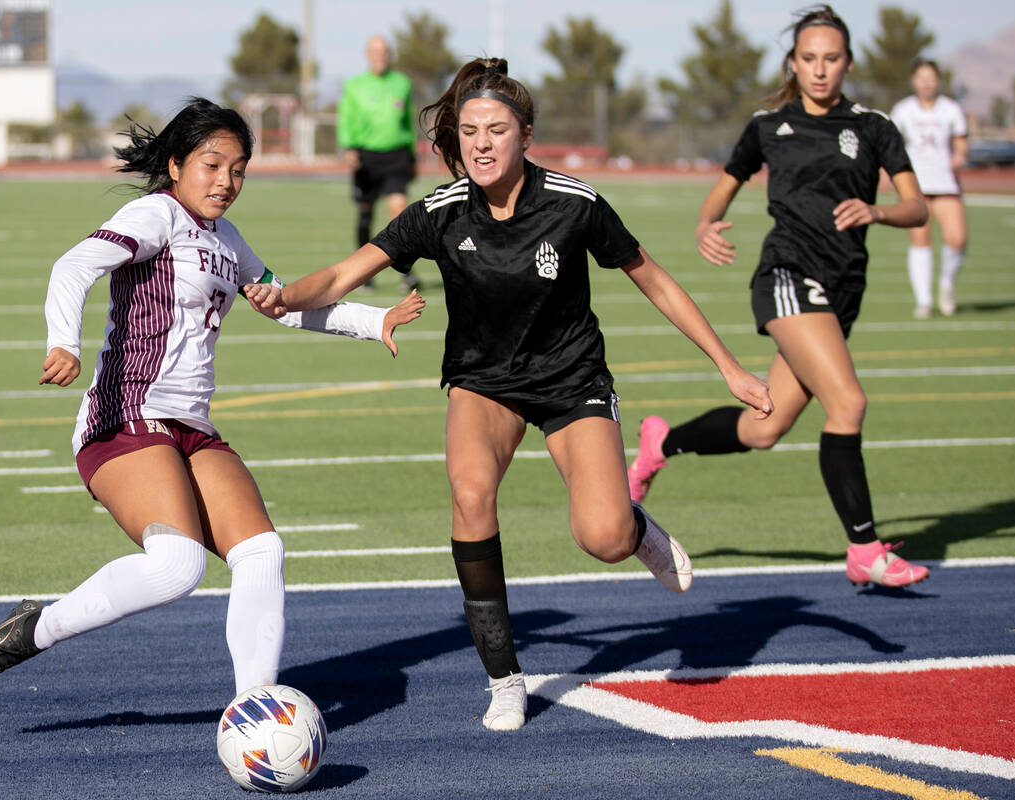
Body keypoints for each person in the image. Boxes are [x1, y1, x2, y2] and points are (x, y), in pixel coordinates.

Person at [246, 59, 773, 731]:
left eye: (497, 130)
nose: (482, 144)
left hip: (571, 380)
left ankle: (638, 529)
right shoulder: (438, 212)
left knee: (603, 535)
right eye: (469, 131)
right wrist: (283, 297)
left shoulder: (574, 203)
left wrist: (727, 366)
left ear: (526, 135)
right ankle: (505, 678)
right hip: (484, 381)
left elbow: (657, 281)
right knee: (470, 496)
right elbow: (348, 273)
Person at [0, 98, 424, 695]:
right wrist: (65, 343)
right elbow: (73, 267)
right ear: (177, 164)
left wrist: (373, 320)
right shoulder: (155, 215)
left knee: (261, 551)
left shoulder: (227, 238)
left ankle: (254, 705)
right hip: (126, 414)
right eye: (212, 165)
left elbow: (283, 305)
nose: (227, 181)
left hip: (190, 425)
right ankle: (36, 629)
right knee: (178, 568)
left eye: (238, 169)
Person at [627, 5, 931, 592]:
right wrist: (706, 225)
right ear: (794, 62)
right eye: (809, 59)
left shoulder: (873, 127)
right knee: (848, 402)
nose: (820, 70)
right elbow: (718, 196)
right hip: (787, 277)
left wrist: (878, 211)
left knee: (765, 426)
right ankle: (864, 548)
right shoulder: (768, 126)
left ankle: (659, 444)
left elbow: (917, 207)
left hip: (842, 289)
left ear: (848, 63)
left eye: (832, 59)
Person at [337, 35, 420, 292]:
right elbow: (346, 117)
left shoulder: (402, 84)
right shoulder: (355, 85)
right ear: (367, 54)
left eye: (384, 51)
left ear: (389, 54)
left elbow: (408, 121)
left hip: (396, 156)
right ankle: (363, 273)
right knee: (366, 214)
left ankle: (408, 272)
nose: (380, 56)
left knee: (399, 213)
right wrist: (349, 147)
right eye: (375, 51)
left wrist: (412, 154)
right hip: (366, 158)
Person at [891, 59, 969, 318]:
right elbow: (892, 146)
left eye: (931, 77)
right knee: (920, 241)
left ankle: (946, 284)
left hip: (946, 184)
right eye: (921, 77)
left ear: (939, 80)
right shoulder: (903, 110)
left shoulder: (950, 109)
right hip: (917, 185)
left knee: (957, 238)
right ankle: (923, 300)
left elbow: (960, 146)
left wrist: (957, 159)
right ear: (914, 81)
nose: (926, 82)